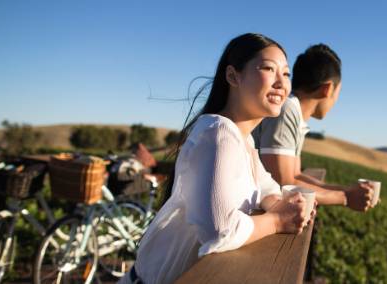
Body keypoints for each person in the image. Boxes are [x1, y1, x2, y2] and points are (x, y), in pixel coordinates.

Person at [121, 33, 313, 284]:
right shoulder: (218, 133)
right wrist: (277, 220)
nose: (281, 83)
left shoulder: (243, 139)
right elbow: (220, 231)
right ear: (233, 76)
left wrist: (280, 203)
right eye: (268, 68)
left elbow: (264, 184)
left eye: (286, 74)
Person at [253, 44, 374, 211]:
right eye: (337, 94)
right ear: (328, 89)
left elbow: (295, 175)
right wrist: (346, 197)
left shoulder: (294, 113)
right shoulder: (286, 109)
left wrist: (346, 189)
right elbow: (283, 183)